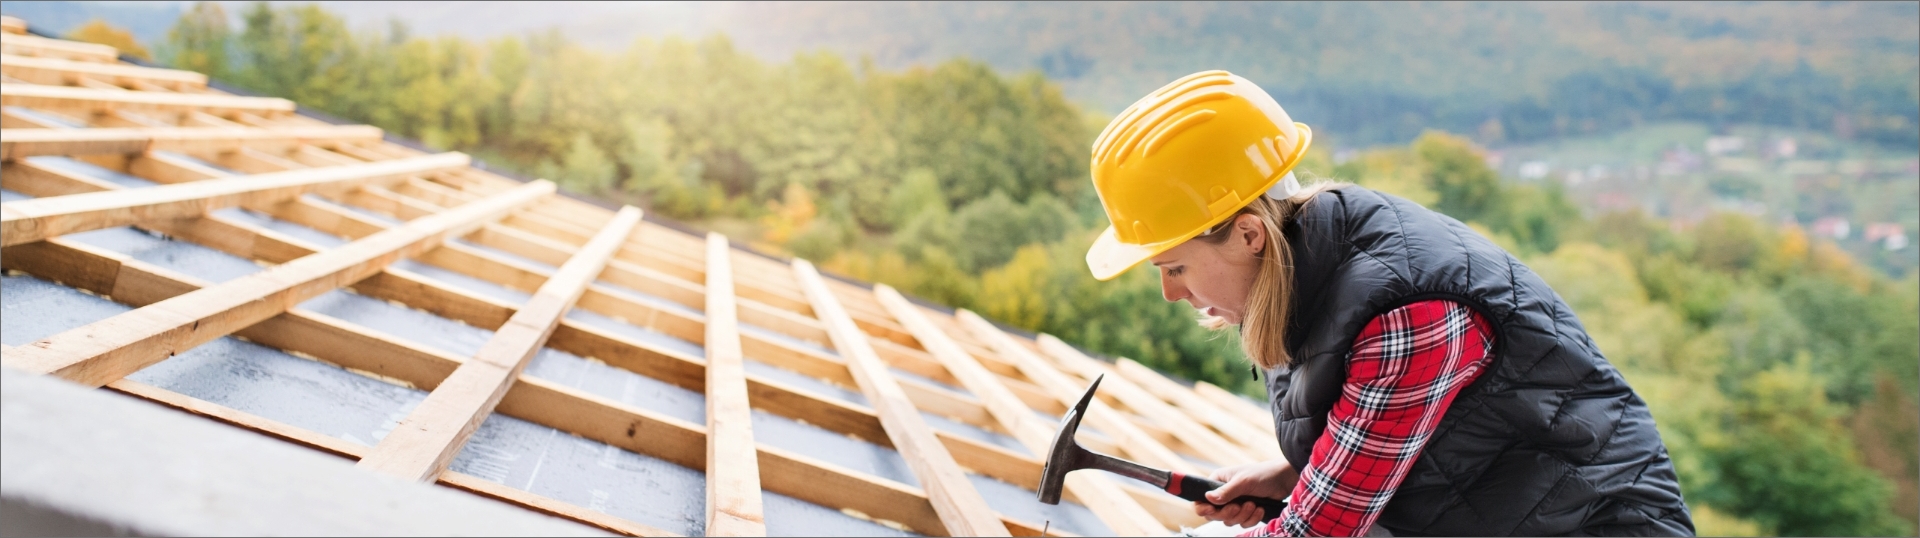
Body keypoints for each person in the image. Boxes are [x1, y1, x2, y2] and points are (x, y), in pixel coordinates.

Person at [1082, 70, 1694, 536]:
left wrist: (1309, 504)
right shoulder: (1300, 268)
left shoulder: (1406, 313)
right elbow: (1426, 437)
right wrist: (1299, 475)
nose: (1170, 291)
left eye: (1176, 266)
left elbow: (1316, 532)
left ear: (1248, 234)